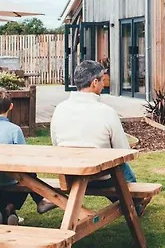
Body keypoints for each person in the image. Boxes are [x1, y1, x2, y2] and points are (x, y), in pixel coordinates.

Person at [50, 60, 140, 210]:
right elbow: (123, 152)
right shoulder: (107, 112)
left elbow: (55, 143)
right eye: (103, 80)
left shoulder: (60, 109)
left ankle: (132, 203)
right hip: (101, 176)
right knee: (123, 168)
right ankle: (135, 205)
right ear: (94, 82)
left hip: (69, 174)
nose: (104, 84)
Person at [0, 89, 56, 225]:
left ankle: (5, 211)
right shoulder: (14, 130)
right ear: (11, 106)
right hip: (11, 179)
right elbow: (25, 159)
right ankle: (12, 207)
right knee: (28, 176)